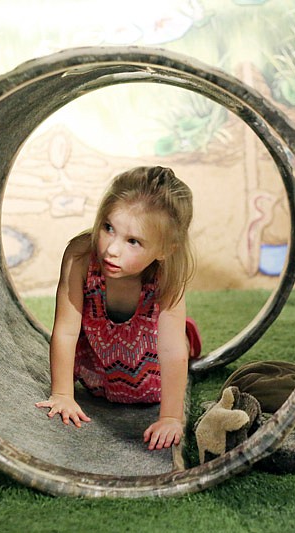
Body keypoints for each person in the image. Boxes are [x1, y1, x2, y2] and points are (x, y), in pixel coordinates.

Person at [35, 166, 202, 451]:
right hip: (98, 371)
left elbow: (172, 350)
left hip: (152, 379)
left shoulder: (167, 276)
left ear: (165, 250)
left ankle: (189, 332)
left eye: (133, 241)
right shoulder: (80, 257)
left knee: (179, 339)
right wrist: (62, 393)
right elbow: (65, 329)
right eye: (108, 228)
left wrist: (171, 417)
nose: (112, 249)